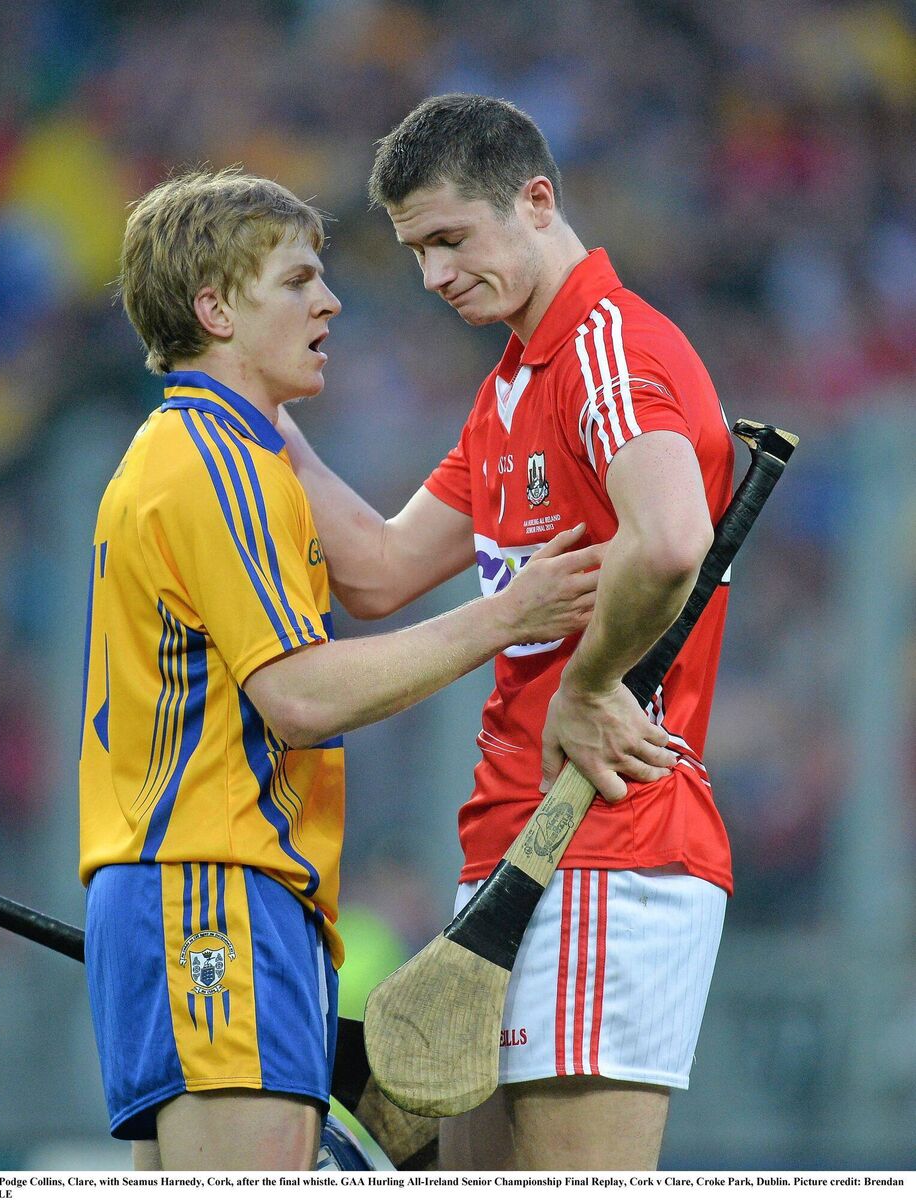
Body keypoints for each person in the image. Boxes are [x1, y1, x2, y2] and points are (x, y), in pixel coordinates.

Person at [77, 165, 604, 1170]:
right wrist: (506, 616)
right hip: (216, 888)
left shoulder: (216, 450)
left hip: (200, 888)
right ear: (216, 308)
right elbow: (303, 697)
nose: (330, 301)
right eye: (297, 281)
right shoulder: (211, 464)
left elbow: (374, 571)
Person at [276, 94, 737, 1170]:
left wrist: (585, 686)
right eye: (415, 253)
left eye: (450, 240)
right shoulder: (513, 386)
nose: (433, 277)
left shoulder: (606, 348)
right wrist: (254, 403)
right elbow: (383, 571)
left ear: (535, 202)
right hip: (517, 855)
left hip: (607, 842)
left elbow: (671, 539)